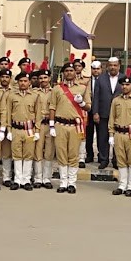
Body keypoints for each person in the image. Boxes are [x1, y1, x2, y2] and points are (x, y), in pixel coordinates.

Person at [49, 60, 91, 193]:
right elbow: (52, 107)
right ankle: (63, 182)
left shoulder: (83, 88)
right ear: (63, 73)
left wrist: (82, 102)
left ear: (76, 72)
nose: (69, 73)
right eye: (66, 71)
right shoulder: (57, 88)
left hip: (75, 125)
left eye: (71, 70)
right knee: (61, 154)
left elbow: (89, 107)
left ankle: (72, 183)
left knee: (73, 154)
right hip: (60, 124)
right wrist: (51, 125)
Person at [108, 76, 131, 197]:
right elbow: (112, 118)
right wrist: (111, 134)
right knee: (121, 160)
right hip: (119, 133)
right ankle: (122, 185)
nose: (124, 87)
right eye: (122, 85)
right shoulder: (116, 100)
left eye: (127, 85)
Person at [7, 70, 38, 190]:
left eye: (25, 81)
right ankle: (17, 179)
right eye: (20, 81)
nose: (23, 83)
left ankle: (26, 179)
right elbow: (8, 113)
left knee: (28, 155)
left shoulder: (35, 96)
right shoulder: (12, 96)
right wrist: (9, 130)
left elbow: (38, 114)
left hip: (29, 129)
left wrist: (37, 131)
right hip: (16, 129)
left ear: (29, 82)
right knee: (17, 154)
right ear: (18, 82)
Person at [92, 57, 123, 169]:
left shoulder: (124, 78)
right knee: (103, 137)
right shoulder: (101, 79)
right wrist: (95, 112)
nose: (113, 67)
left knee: (117, 138)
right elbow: (96, 97)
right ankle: (104, 159)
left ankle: (116, 160)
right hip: (103, 113)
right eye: (111, 65)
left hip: (119, 115)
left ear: (119, 66)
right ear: (107, 66)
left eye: (115, 65)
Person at [33, 62, 55, 188]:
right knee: (37, 151)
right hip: (38, 125)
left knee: (49, 152)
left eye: (45, 78)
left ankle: (46, 178)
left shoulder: (55, 92)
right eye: (41, 78)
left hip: (51, 125)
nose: (43, 80)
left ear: (49, 78)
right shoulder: (34, 92)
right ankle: (37, 178)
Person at [0, 68, 15, 187]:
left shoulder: (14, 92)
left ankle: (7, 177)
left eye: (7, 77)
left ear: (10, 79)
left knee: (7, 153)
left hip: (9, 125)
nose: (4, 79)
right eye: (2, 77)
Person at [83, 60, 102, 165]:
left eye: (98, 69)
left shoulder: (104, 80)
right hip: (89, 110)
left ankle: (101, 155)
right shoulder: (87, 81)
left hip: (100, 110)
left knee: (101, 134)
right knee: (89, 134)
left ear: (101, 69)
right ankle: (89, 155)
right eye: (94, 69)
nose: (96, 71)